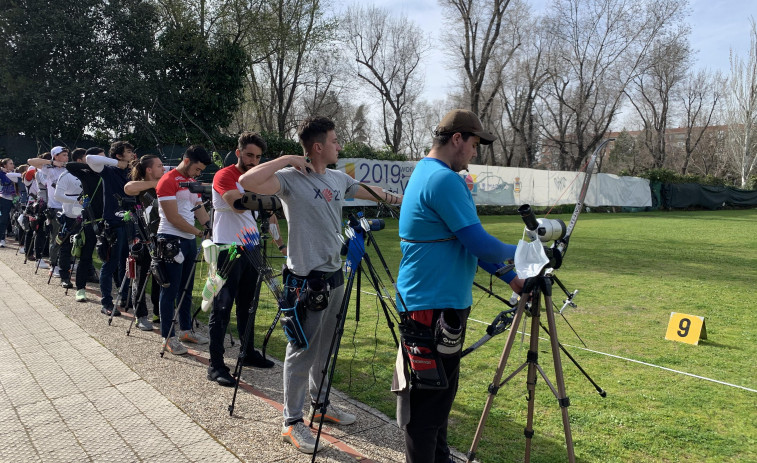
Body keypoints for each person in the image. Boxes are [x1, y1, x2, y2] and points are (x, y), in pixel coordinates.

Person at [239, 116, 402, 454]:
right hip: (304, 284)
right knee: (301, 352)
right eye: (334, 140)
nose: (339, 146)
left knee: (325, 348)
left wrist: (405, 198)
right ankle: (292, 422)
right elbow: (247, 180)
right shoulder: (289, 178)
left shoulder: (339, 178)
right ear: (317, 147)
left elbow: (377, 194)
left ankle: (321, 403)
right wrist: (286, 159)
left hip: (334, 278)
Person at [394, 109, 524, 463]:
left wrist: (512, 276)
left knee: (440, 392)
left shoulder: (428, 170)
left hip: (434, 302)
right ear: (457, 139)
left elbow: (465, 243)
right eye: (474, 143)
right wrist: (525, 251)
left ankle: (440, 457)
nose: (475, 152)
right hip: (429, 306)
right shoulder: (444, 179)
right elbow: (481, 244)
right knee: (429, 402)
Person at [206, 132, 282, 387]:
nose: (253, 160)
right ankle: (215, 365)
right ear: (238, 152)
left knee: (249, 304)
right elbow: (237, 204)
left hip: (251, 246)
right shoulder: (225, 175)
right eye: (249, 155)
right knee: (222, 307)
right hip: (227, 247)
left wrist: (277, 238)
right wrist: (263, 200)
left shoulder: (256, 178)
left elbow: (273, 209)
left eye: (258, 157)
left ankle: (246, 352)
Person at [155, 145, 211, 355]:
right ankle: (167, 337)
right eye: (197, 169)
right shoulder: (167, 180)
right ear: (187, 161)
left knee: (186, 289)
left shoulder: (192, 182)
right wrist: (199, 233)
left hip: (189, 240)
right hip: (170, 238)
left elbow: (199, 208)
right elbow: (173, 217)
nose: (198, 173)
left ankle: (186, 330)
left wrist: (208, 228)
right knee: (169, 290)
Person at [86, 141, 136, 316]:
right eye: (128, 152)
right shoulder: (109, 171)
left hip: (130, 222)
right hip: (114, 224)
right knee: (110, 263)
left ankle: (124, 297)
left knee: (127, 263)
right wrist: (117, 163)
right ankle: (106, 302)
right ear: (118, 155)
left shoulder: (132, 172)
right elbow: (89, 158)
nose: (132, 155)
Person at [124, 154, 166, 330]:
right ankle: (140, 315)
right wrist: (154, 184)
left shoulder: (165, 183)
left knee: (161, 278)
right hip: (143, 239)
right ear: (149, 169)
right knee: (140, 279)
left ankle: (159, 312)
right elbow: (128, 187)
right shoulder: (140, 186)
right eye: (159, 166)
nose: (163, 168)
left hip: (162, 238)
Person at [67, 147, 106, 302]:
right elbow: (70, 166)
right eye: (100, 158)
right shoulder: (86, 173)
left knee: (110, 257)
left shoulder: (108, 173)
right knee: (85, 256)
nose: (104, 161)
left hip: (107, 219)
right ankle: (80, 289)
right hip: (91, 219)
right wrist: (92, 165)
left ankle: (113, 292)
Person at [28, 146, 69, 274]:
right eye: (63, 155)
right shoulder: (49, 170)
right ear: (56, 156)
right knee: (56, 237)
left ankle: (66, 263)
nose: (66, 157)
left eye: (67, 155)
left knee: (69, 238)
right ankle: (54, 264)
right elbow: (31, 161)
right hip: (55, 207)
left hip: (69, 207)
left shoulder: (69, 168)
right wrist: (51, 162)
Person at [53, 148, 87, 289]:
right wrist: (76, 202)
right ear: (79, 160)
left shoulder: (89, 174)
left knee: (87, 244)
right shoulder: (66, 175)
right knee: (67, 245)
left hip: (87, 214)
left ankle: (88, 272)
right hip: (71, 215)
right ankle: (64, 276)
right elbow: (58, 196)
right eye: (86, 158)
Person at [0, 158, 21, 248]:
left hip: (16, 198)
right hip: (5, 198)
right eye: (10, 163)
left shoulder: (17, 172)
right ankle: (2, 239)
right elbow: (6, 181)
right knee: (4, 218)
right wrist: (1, 170)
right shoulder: (2, 173)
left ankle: (19, 238)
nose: (13, 165)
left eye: (13, 163)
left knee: (19, 217)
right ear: (5, 165)